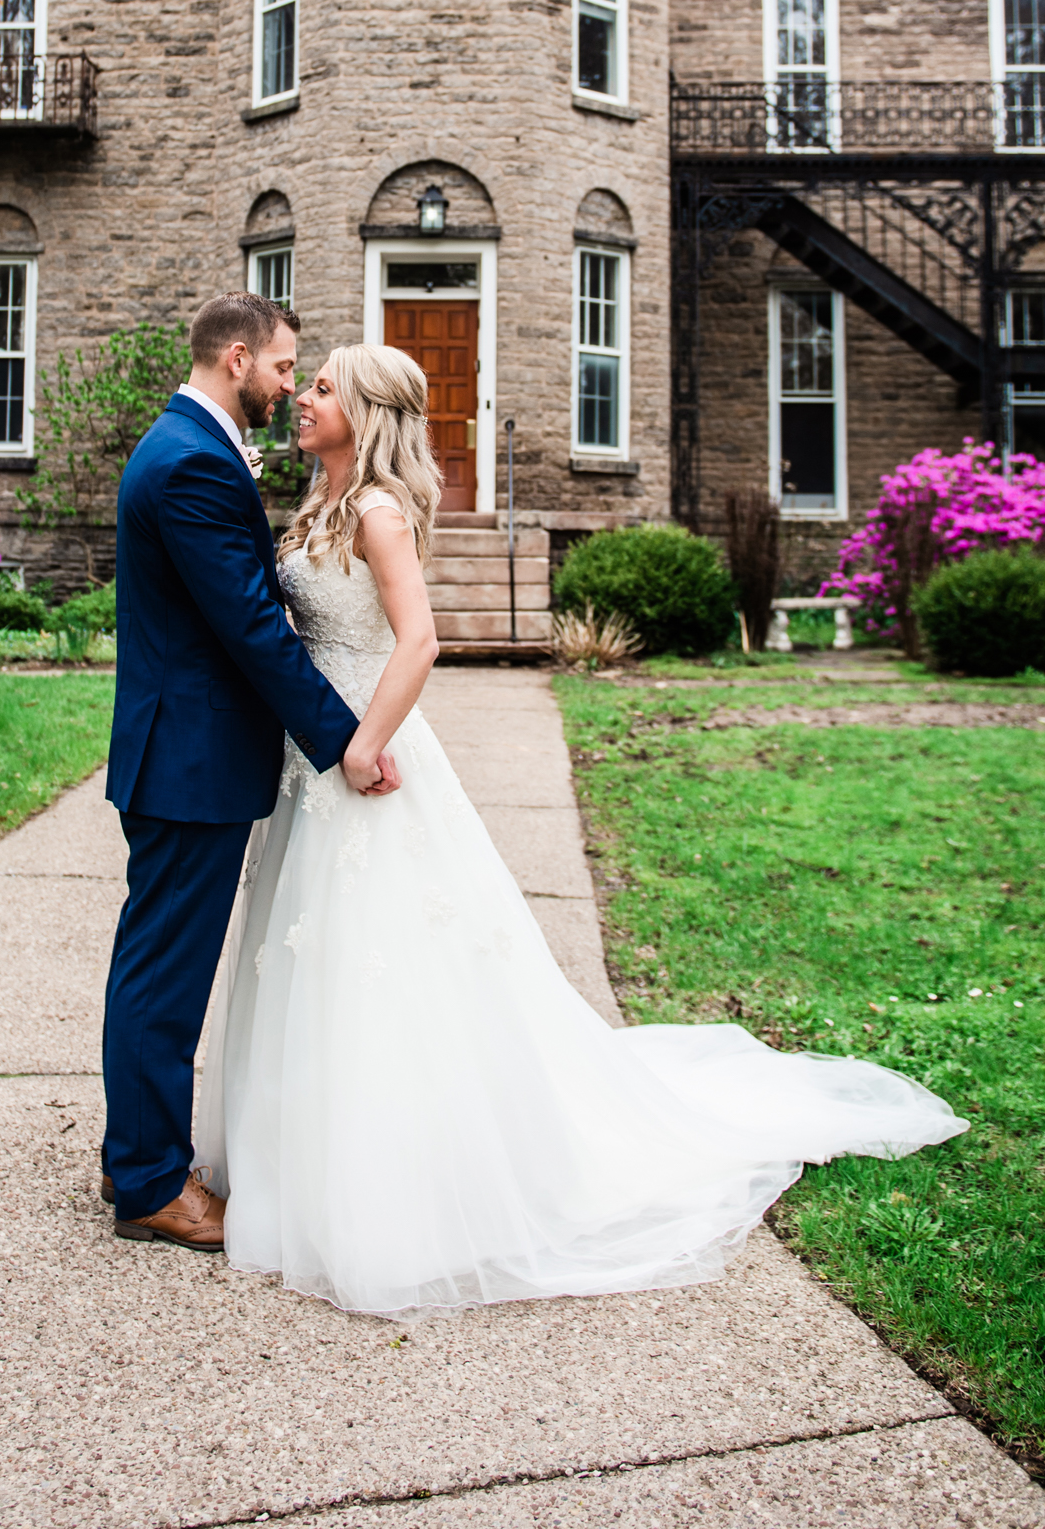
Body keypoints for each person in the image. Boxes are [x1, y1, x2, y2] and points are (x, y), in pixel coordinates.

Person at [195, 341, 968, 1316]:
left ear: (366, 411)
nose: (300, 398)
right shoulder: (318, 509)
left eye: (319, 387)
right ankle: (302, 1150)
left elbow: (422, 639)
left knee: (382, 960)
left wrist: (364, 743)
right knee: (313, 958)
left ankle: (398, 1173)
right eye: (302, 383)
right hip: (310, 765)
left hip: (365, 760)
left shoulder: (380, 514)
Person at [100, 293, 397, 1254]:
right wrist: (343, 736)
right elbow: (252, 628)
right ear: (238, 358)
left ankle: (148, 1158)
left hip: (190, 751)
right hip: (189, 759)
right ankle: (148, 1181)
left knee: (163, 963)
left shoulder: (196, 446)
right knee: (164, 973)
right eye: (282, 367)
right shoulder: (189, 461)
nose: (287, 385)